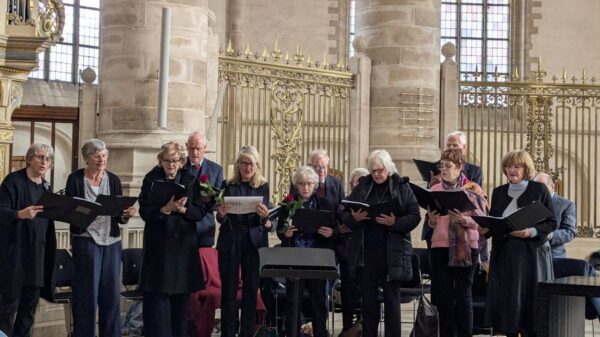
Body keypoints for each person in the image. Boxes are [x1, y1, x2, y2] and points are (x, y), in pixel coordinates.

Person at [341, 150, 421, 337]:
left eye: (380, 170)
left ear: (389, 168)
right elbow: (344, 212)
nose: (377, 174)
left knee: (392, 302)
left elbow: (415, 215)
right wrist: (354, 218)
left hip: (391, 253)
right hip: (366, 253)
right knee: (368, 303)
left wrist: (395, 223)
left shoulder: (401, 186)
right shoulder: (363, 186)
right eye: (373, 170)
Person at [65, 139, 136, 337]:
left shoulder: (113, 180)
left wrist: (125, 214)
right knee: (86, 295)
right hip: (86, 241)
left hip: (111, 242)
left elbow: (119, 216)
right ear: (87, 159)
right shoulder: (75, 180)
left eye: (104, 156)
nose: (101, 159)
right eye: (97, 156)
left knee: (110, 295)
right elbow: (70, 210)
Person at [484, 150, 558, 337]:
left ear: (526, 169)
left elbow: (552, 222)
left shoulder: (538, 190)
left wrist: (531, 231)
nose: (512, 170)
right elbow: (496, 222)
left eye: (517, 166)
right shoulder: (498, 192)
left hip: (529, 256)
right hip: (504, 256)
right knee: (507, 304)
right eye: (508, 166)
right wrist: (485, 229)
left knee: (527, 305)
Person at [138, 142, 207, 337]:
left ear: (181, 161)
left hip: (183, 249)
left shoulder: (190, 178)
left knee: (181, 304)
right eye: (167, 161)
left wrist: (183, 209)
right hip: (160, 248)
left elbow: (200, 211)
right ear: (160, 161)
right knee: (157, 304)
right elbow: (144, 211)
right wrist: (165, 209)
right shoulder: (151, 179)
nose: (171, 165)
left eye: (175, 161)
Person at [427, 149, 489, 337]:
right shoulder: (435, 189)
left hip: (466, 247)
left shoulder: (473, 189)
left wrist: (465, 220)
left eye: (448, 166)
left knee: (463, 297)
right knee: (443, 297)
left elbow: (483, 222)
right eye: (441, 165)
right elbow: (430, 220)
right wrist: (431, 220)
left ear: (460, 167)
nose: (443, 169)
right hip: (440, 246)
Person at [0, 143, 56, 337]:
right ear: (29, 159)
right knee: (7, 310)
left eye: (48, 159)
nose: (44, 162)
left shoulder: (46, 187)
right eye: (40, 157)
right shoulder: (13, 181)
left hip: (37, 256)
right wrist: (18, 214)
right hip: (14, 255)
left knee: (29, 310)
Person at [216, 145, 272, 337]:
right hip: (231, 239)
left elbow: (266, 219)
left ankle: (247, 333)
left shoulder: (263, 185)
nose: (247, 168)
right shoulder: (228, 185)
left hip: (253, 243)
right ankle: (228, 334)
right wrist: (221, 214)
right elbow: (220, 218)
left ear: (257, 166)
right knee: (229, 292)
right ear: (238, 165)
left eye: (251, 164)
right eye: (243, 163)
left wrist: (265, 216)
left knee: (250, 292)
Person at [277, 166, 335, 337]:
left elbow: (334, 231)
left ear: (315, 185)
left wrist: (331, 233)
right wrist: (285, 233)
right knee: (293, 301)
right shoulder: (287, 204)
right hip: (295, 259)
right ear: (296, 185)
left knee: (318, 302)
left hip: (317, 260)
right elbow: (280, 230)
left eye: (309, 184)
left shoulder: (325, 204)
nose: (305, 188)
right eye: (301, 184)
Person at [423, 130, 483, 247]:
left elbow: (479, 215)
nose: (451, 148)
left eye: (455, 145)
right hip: (439, 240)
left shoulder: (473, 179)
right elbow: (430, 207)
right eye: (448, 145)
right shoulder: (436, 177)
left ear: (464, 147)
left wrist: (464, 219)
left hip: (465, 241)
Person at [337, 167, 368, 334]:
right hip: (347, 255)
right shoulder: (345, 203)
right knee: (347, 294)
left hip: (366, 255)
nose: (360, 184)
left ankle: (363, 327)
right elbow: (340, 222)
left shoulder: (372, 202)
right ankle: (347, 328)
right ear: (351, 183)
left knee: (365, 294)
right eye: (357, 180)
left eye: (364, 180)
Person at [184, 131, 223, 247]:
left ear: (205, 148)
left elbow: (219, 202)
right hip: (183, 228)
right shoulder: (179, 166)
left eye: (198, 149)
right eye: (191, 148)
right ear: (186, 146)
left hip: (204, 229)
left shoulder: (216, 170)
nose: (195, 153)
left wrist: (209, 200)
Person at [533, 172, 576, 258]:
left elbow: (569, 233)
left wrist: (550, 235)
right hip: (531, 255)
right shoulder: (530, 203)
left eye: (542, 186)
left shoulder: (566, 205)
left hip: (553, 256)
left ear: (552, 186)